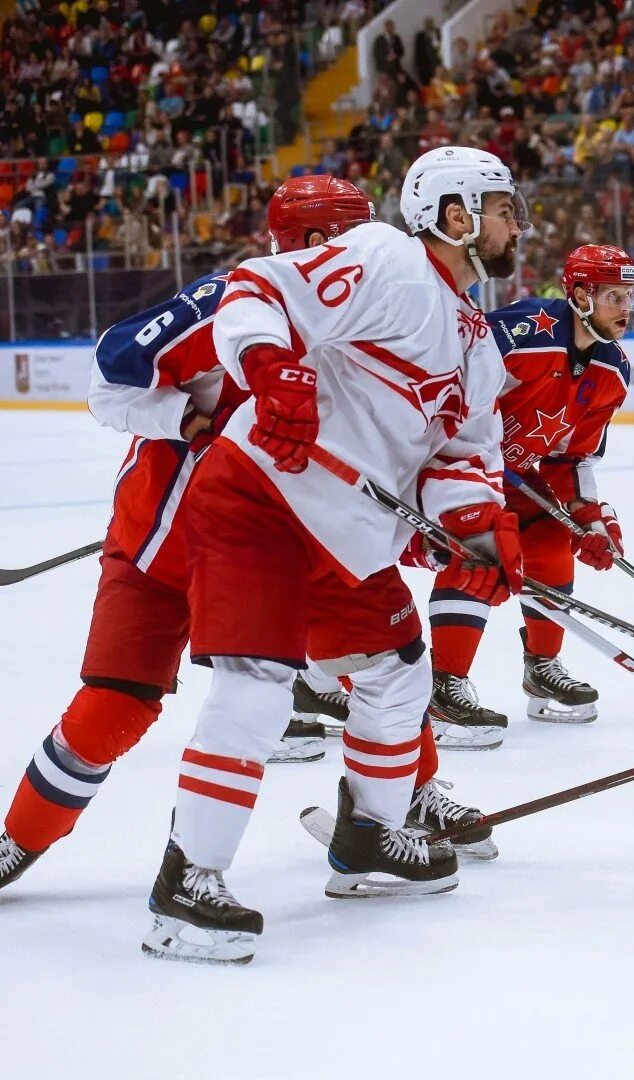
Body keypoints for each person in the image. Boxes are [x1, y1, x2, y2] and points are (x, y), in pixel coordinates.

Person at [139, 147, 527, 965]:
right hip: (262, 498)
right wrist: (273, 372)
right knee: (256, 685)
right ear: (454, 215)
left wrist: (479, 528)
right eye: (500, 207)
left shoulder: (477, 345)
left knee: (397, 672)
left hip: (348, 533)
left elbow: (460, 456)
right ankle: (187, 883)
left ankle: (369, 839)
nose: (513, 224)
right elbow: (259, 290)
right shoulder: (385, 256)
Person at [0, 176, 374, 896]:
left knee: (384, 664)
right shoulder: (227, 303)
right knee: (113, 706)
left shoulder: (370, 324)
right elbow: (111, 378)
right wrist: (185, 422)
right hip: (160, 549)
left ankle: (400, 806)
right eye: (355, 236)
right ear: (315, 244)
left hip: (276, 547)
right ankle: (17, 837)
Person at [425, 244, 634, 738]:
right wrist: (469, 467)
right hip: (451, 465)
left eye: (631, 296)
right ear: (581, 294)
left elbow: (573, 457)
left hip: (515, 475)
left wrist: (588, 513)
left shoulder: (612, 372)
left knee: (550, 541)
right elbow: (445, 390)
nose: (626, 309)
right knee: (478, 549)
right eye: (614, 296)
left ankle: (542, 668)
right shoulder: (520, 335)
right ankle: (445, 683)